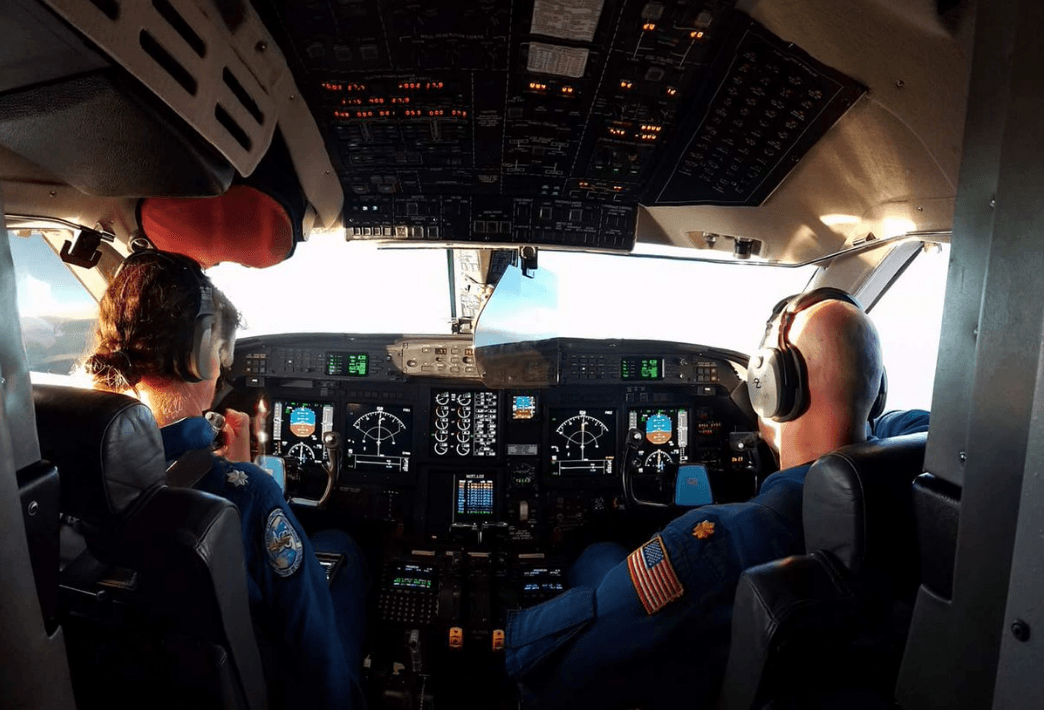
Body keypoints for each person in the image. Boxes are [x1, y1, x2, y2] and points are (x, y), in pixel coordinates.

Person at [503, 288, 930, 710]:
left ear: (769, 387)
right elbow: (891, 423)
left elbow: (550, 671)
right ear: (878, 390)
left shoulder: (715, 545)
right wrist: (854, 389)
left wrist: (587, 556)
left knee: (598, 555)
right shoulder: (924, 470)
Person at [83, 249, 366, 710]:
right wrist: (246, 479)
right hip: (241, 685)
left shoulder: (66, 462)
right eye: (219, 354)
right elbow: (314, 653)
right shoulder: (248, 494)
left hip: (121, 679)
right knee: (343, 547)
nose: (220, 371)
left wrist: (220, 467)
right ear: (199, 356)